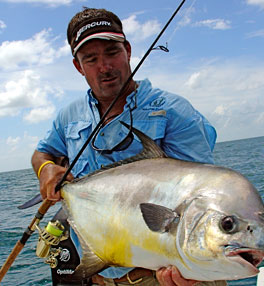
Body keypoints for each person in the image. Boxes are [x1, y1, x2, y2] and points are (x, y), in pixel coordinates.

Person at [31, 7, 226, 286]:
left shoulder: (174, 112)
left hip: (166, 276)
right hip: (98, 276)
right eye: (91, 59)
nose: (105, 66)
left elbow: (203, 197)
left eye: (112, 53)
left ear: (128, 50)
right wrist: (47, 169)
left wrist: (197, 267)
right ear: (78, 66)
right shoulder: (68, 117)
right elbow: (42, 153)